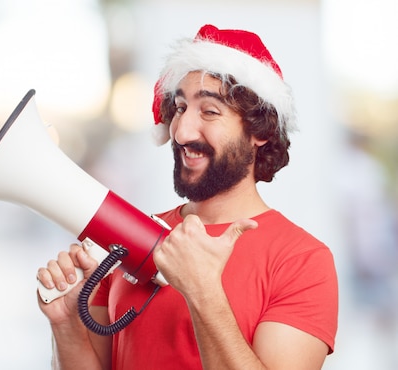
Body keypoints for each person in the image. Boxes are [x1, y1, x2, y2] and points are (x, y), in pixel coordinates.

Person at [36, 24, 338, 369]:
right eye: (179, 108)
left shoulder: (302, 260)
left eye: (209, 111)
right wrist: (67, 324)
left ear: (260, 132)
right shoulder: (132, 237)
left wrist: (203, 290)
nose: (181, 131)